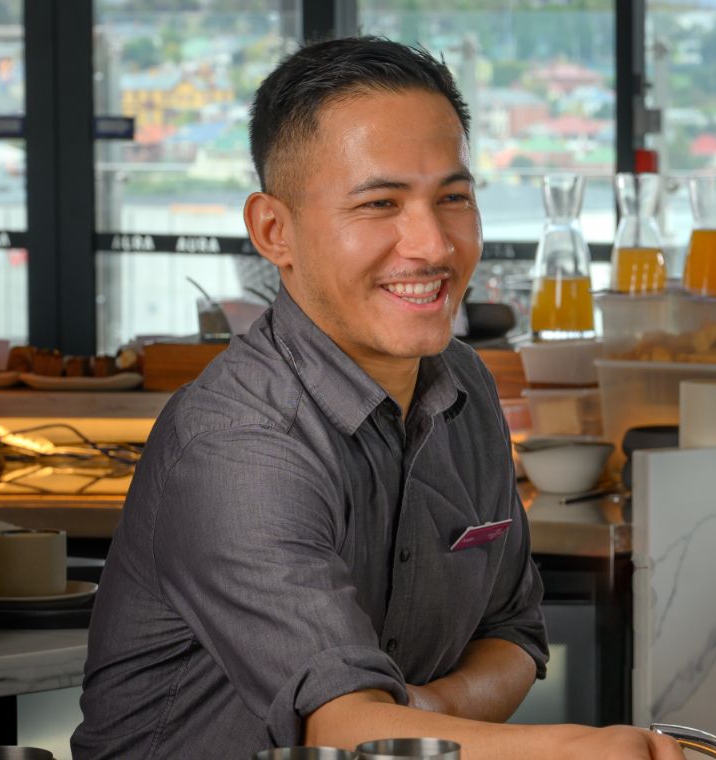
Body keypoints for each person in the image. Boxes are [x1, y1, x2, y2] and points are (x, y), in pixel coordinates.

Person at [72, 37, 680, 760]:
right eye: (379, 203)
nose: (432, 245)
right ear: (275, 230)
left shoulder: (464, 385)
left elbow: (513, 635)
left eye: (452, 198)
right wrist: (582, 749)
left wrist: (422, 710)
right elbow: (345, 732)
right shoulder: (236, 444)